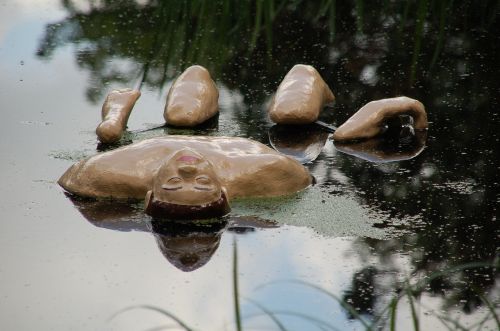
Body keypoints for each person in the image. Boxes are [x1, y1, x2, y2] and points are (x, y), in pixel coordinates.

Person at [58, 136, 312, 219]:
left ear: (149, 195)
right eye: (203, 183)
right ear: (224, 192)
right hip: (236, 148)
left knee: (183, 114)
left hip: (169, 130)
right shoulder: (263, 169)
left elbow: (73, 176)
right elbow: (301, 174)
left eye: (174, 183)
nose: (188, 172)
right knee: (295, 112)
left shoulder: (118, 173)